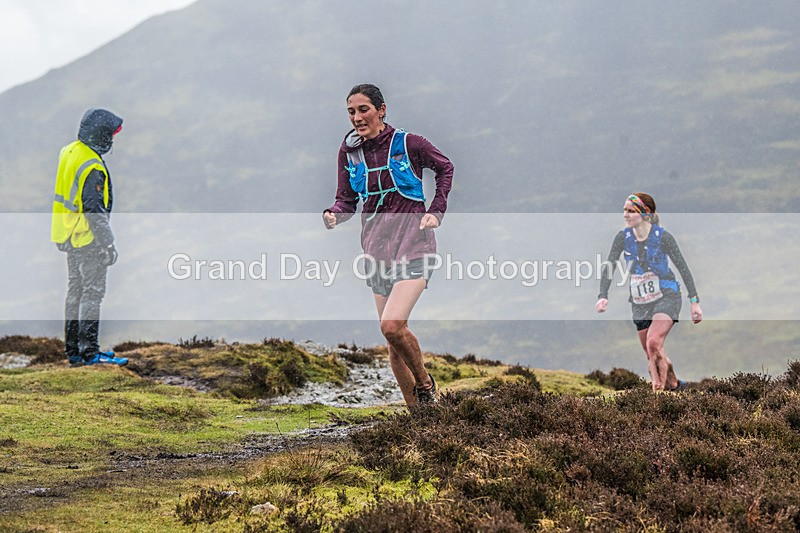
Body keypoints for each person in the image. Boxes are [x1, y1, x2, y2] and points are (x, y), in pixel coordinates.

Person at [324, 84, 454, 405]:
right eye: (351, 112)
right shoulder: (349, 153)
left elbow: (445, 168)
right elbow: (346, 201)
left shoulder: (409, 144)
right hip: (375, 252)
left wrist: (436, 210)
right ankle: (419, 421)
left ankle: (425, 386)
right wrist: (334, 215)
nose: (357, 117)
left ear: (382, 110)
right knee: (392, 340)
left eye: (363, 109)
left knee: (392, 325)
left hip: (414, 245)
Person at [596, 193, 702, 391]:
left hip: (667, 295)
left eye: (630, 211)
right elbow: (609, 266)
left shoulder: (663, 237)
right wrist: (603, 296)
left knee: (653, 344)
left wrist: (694, 301)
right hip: (640, 300)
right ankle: (674, 384)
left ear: (645, 214)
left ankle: (658, 395)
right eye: (624, 210)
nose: (625, 215)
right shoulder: (623, 238)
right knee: (651, 352)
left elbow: (683, 267)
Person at [51, 108, 128, 366]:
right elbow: (94, 209)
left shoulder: (71, 152)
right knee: (92, 294)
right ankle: (89, 354)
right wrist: (108, 243)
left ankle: (74, 351)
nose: (111, 141)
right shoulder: (92, 166)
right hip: (88, 238)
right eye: (109, 135)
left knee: (75, 293)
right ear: (100, 136)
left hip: (69, 234)